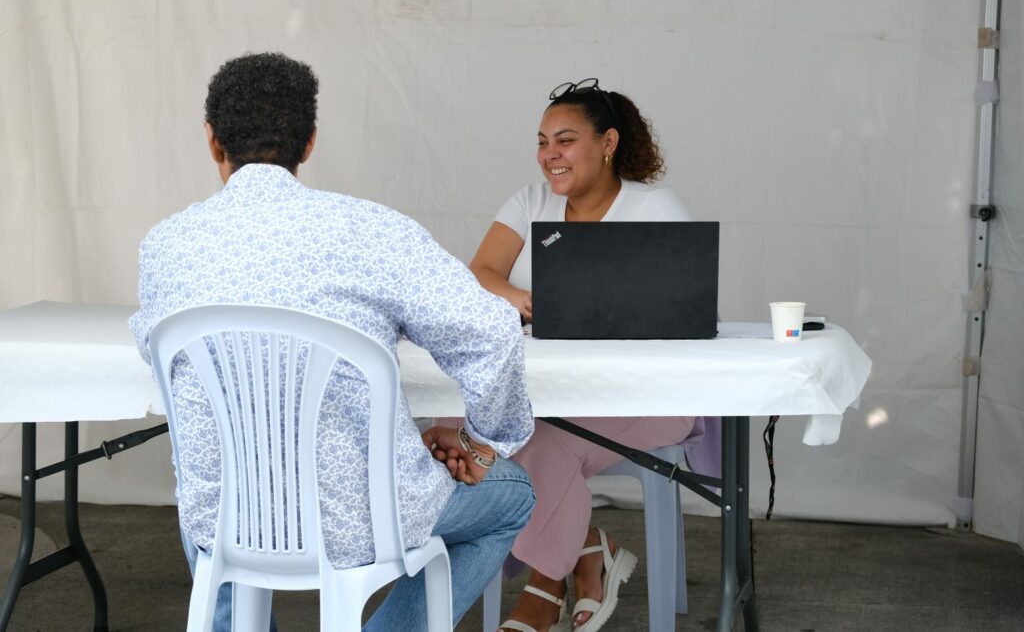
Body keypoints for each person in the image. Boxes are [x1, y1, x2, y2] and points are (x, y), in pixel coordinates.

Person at [128, 52, 536, 632]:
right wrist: (479, 442)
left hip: (228, 520)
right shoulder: (373, 231)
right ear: (310, 143)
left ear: (213, 141)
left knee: (210, 495)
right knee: (513, 494)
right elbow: (494, 331)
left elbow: (160, 349)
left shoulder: (164, 246)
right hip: (361, 519)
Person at [467, 78, 697, 632]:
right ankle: (588, 546)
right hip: (546, 388)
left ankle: (544, 587)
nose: (550, 155)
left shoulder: (654, 208)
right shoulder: (530, 203)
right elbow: (478, 275)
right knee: (470, 422)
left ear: (609, 142)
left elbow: (684, 305)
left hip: (644, 394)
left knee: (535, 438)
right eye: (543, 141)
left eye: (565, 140)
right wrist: (528, 302)